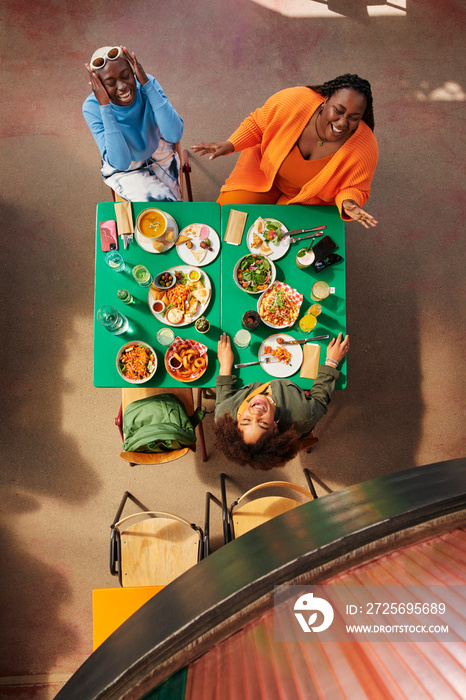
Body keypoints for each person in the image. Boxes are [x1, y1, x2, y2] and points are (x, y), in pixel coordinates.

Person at [192, 74, 378, 229]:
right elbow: (258, 123)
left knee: (277, 246)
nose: (343, 123)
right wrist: (231, 144)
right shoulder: (294, 100)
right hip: (262, 175)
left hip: (308, 202)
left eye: (354, 118)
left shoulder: (365, 147)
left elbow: (355, 187)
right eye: (338, 110)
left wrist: (349, 203)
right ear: (326, 100)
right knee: (223, 221)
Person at [213, 332, 350, 469]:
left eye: (246, 420)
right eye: (262, 423)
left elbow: (224, 390)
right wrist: (332, 362)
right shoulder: (304, 414)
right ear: (275, 429)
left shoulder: (224, 414)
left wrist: (225, 364)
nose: (255, 414)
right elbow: (320, 399)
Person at [83, 46, 183, 202]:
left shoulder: (146, 82)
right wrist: (105, 106)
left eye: (126, 76)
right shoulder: (92, 106)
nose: (122, 86)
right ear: (99, 86)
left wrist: (146, 84)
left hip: (157, 149)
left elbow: (174, 134)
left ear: (133, 72)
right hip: (125, 166)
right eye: (110, 84)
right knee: (165, 208)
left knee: (176, 206)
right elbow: (121, 162)